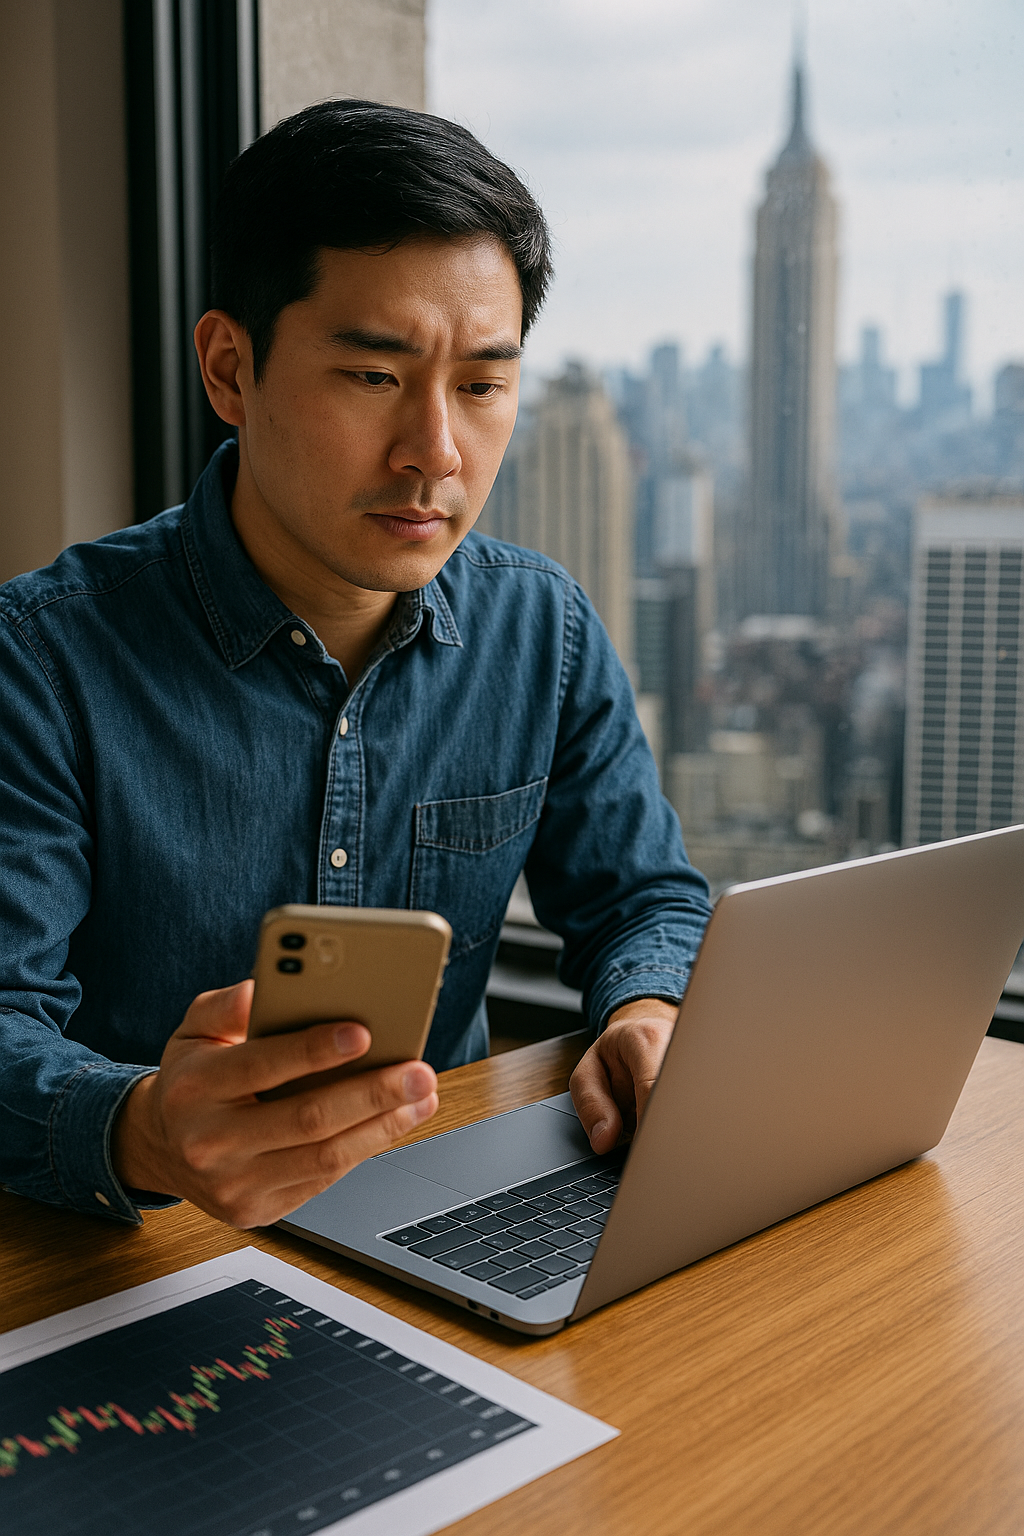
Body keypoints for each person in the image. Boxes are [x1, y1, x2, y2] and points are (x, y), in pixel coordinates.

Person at [0, 100, 712, 1231]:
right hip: (140, 1250)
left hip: (442, 1220)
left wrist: (649, 1012)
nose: (435, 450)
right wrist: (142, 1128)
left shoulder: (545, 630)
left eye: (482, 386)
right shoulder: (42, 661)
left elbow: (644, 899)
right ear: (231, 370)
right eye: (376, 377)